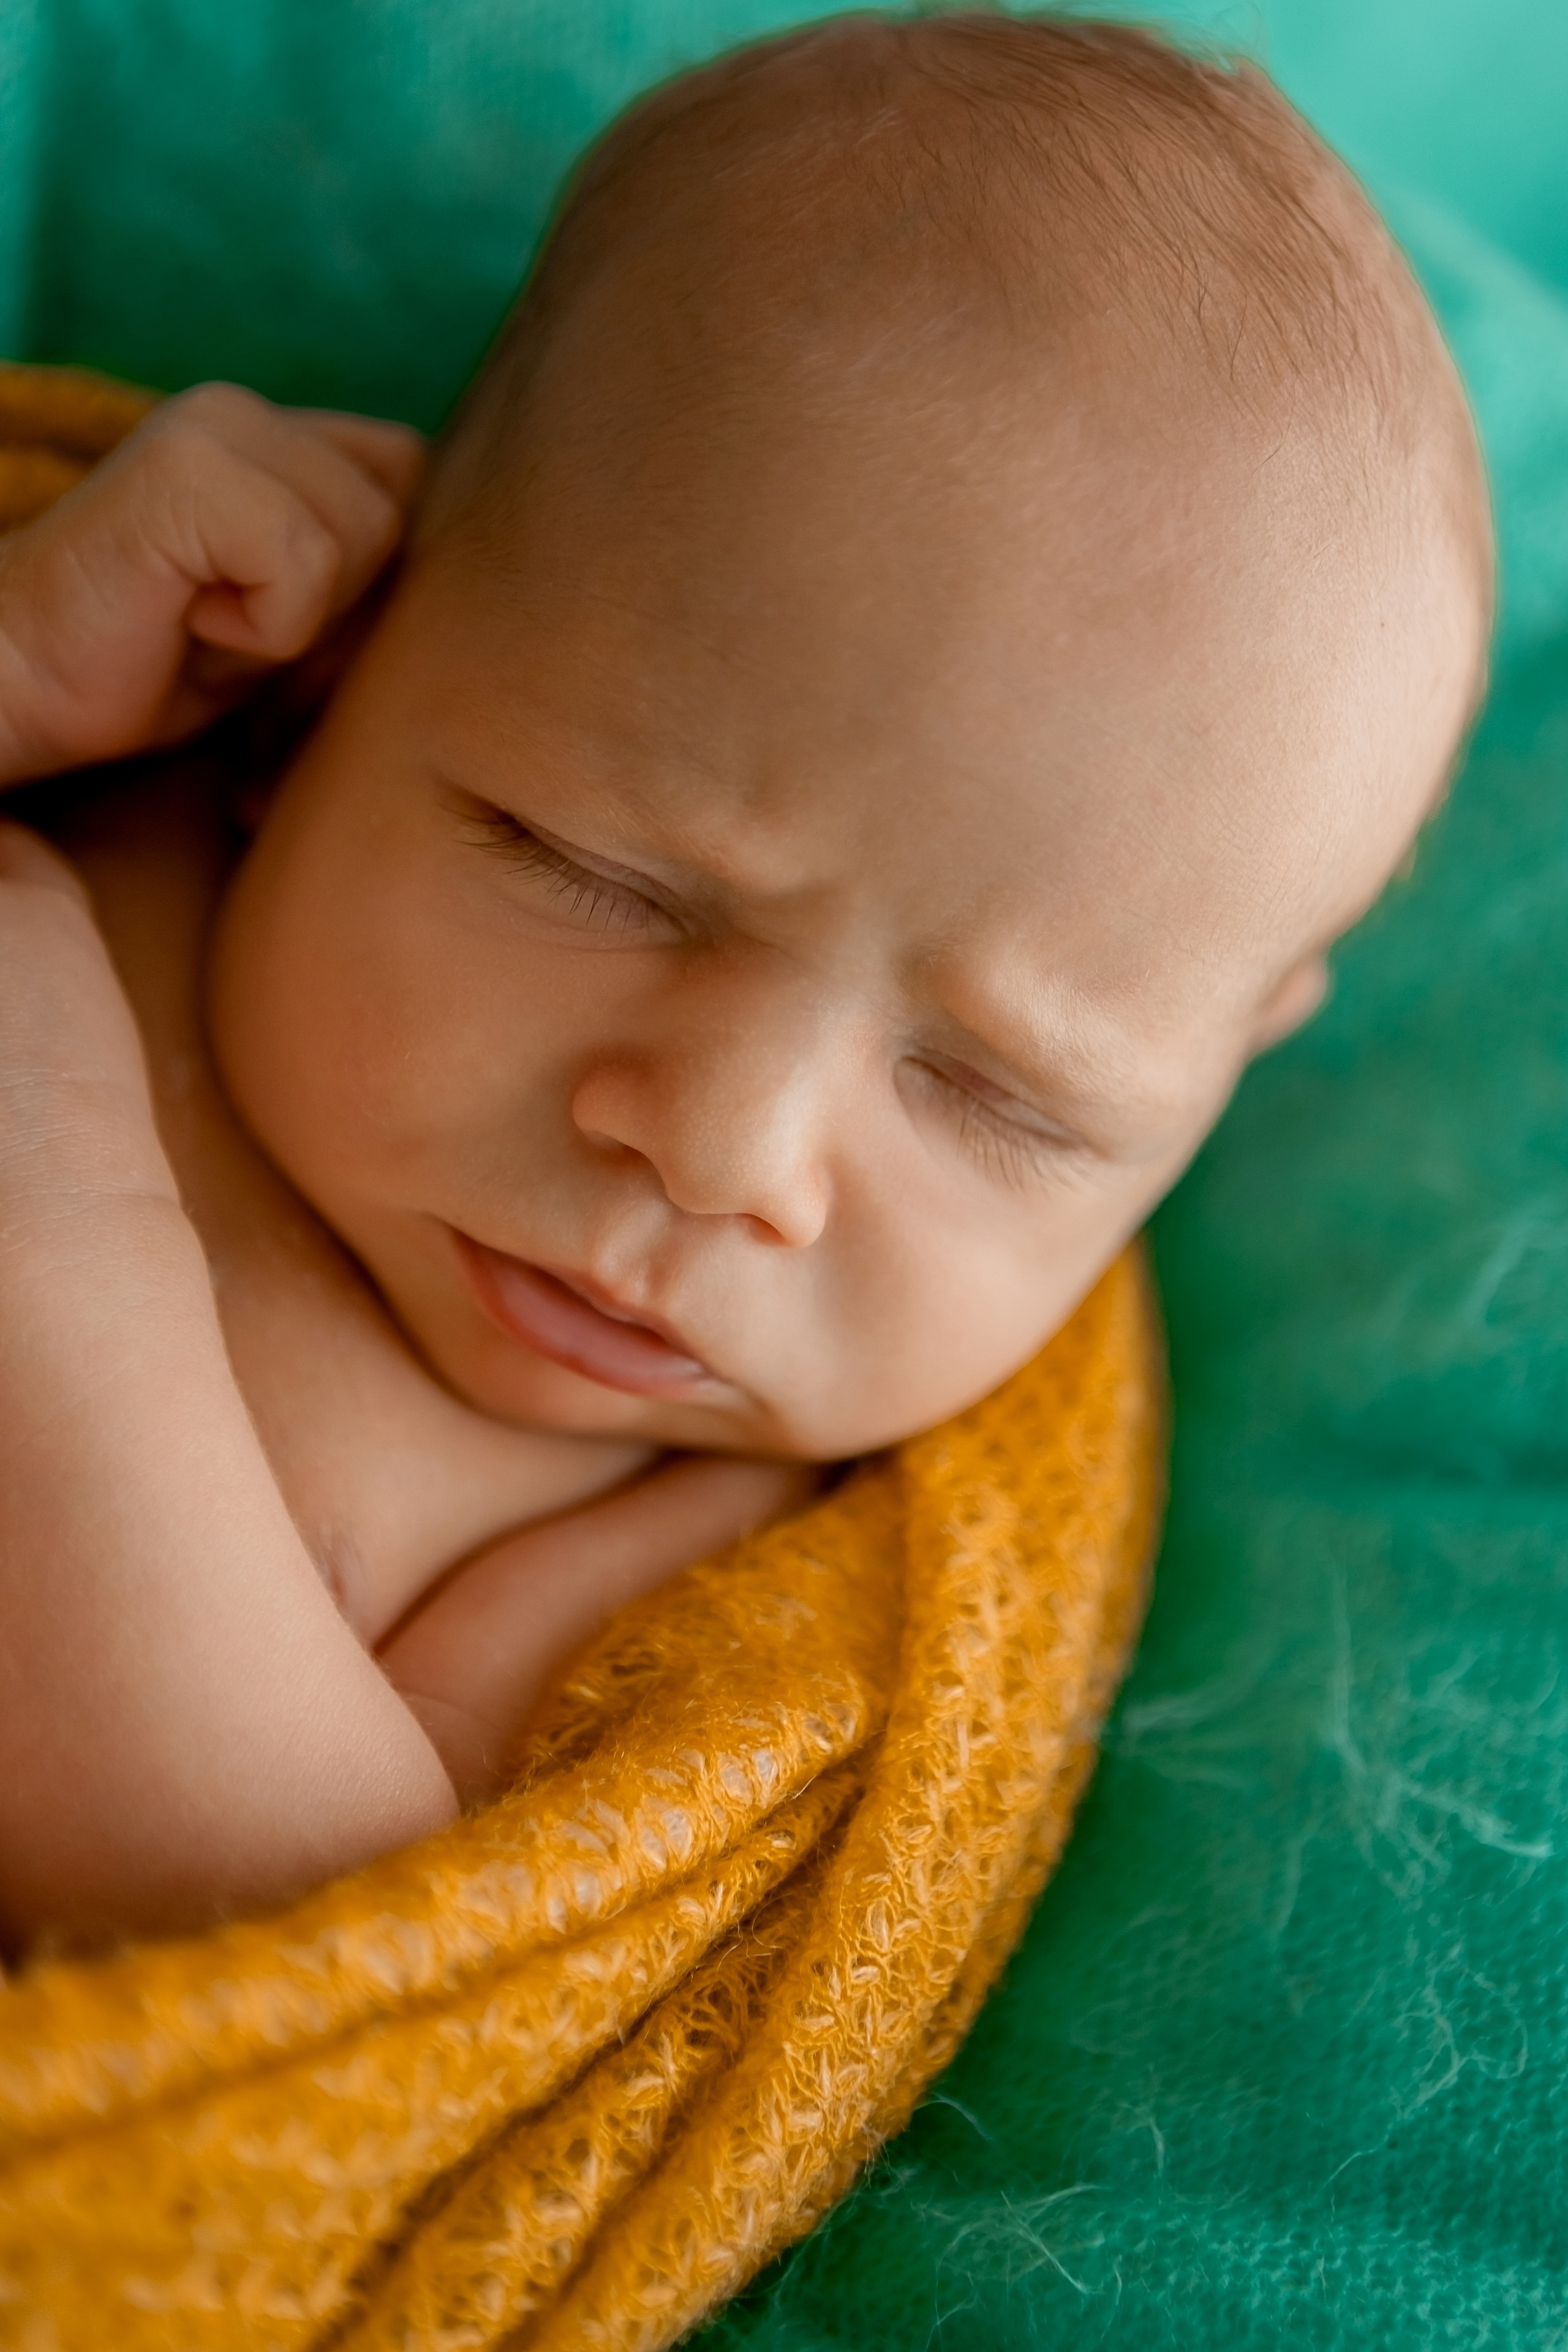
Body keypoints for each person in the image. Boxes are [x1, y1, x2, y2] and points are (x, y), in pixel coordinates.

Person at [0, 12, 1491, 1943]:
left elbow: (341, 1957)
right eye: (594, 874)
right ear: (337, 665)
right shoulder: (123, 784)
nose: (720, 1150)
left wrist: (62, 1242)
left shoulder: (692, 1548)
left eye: (1003, 1092)